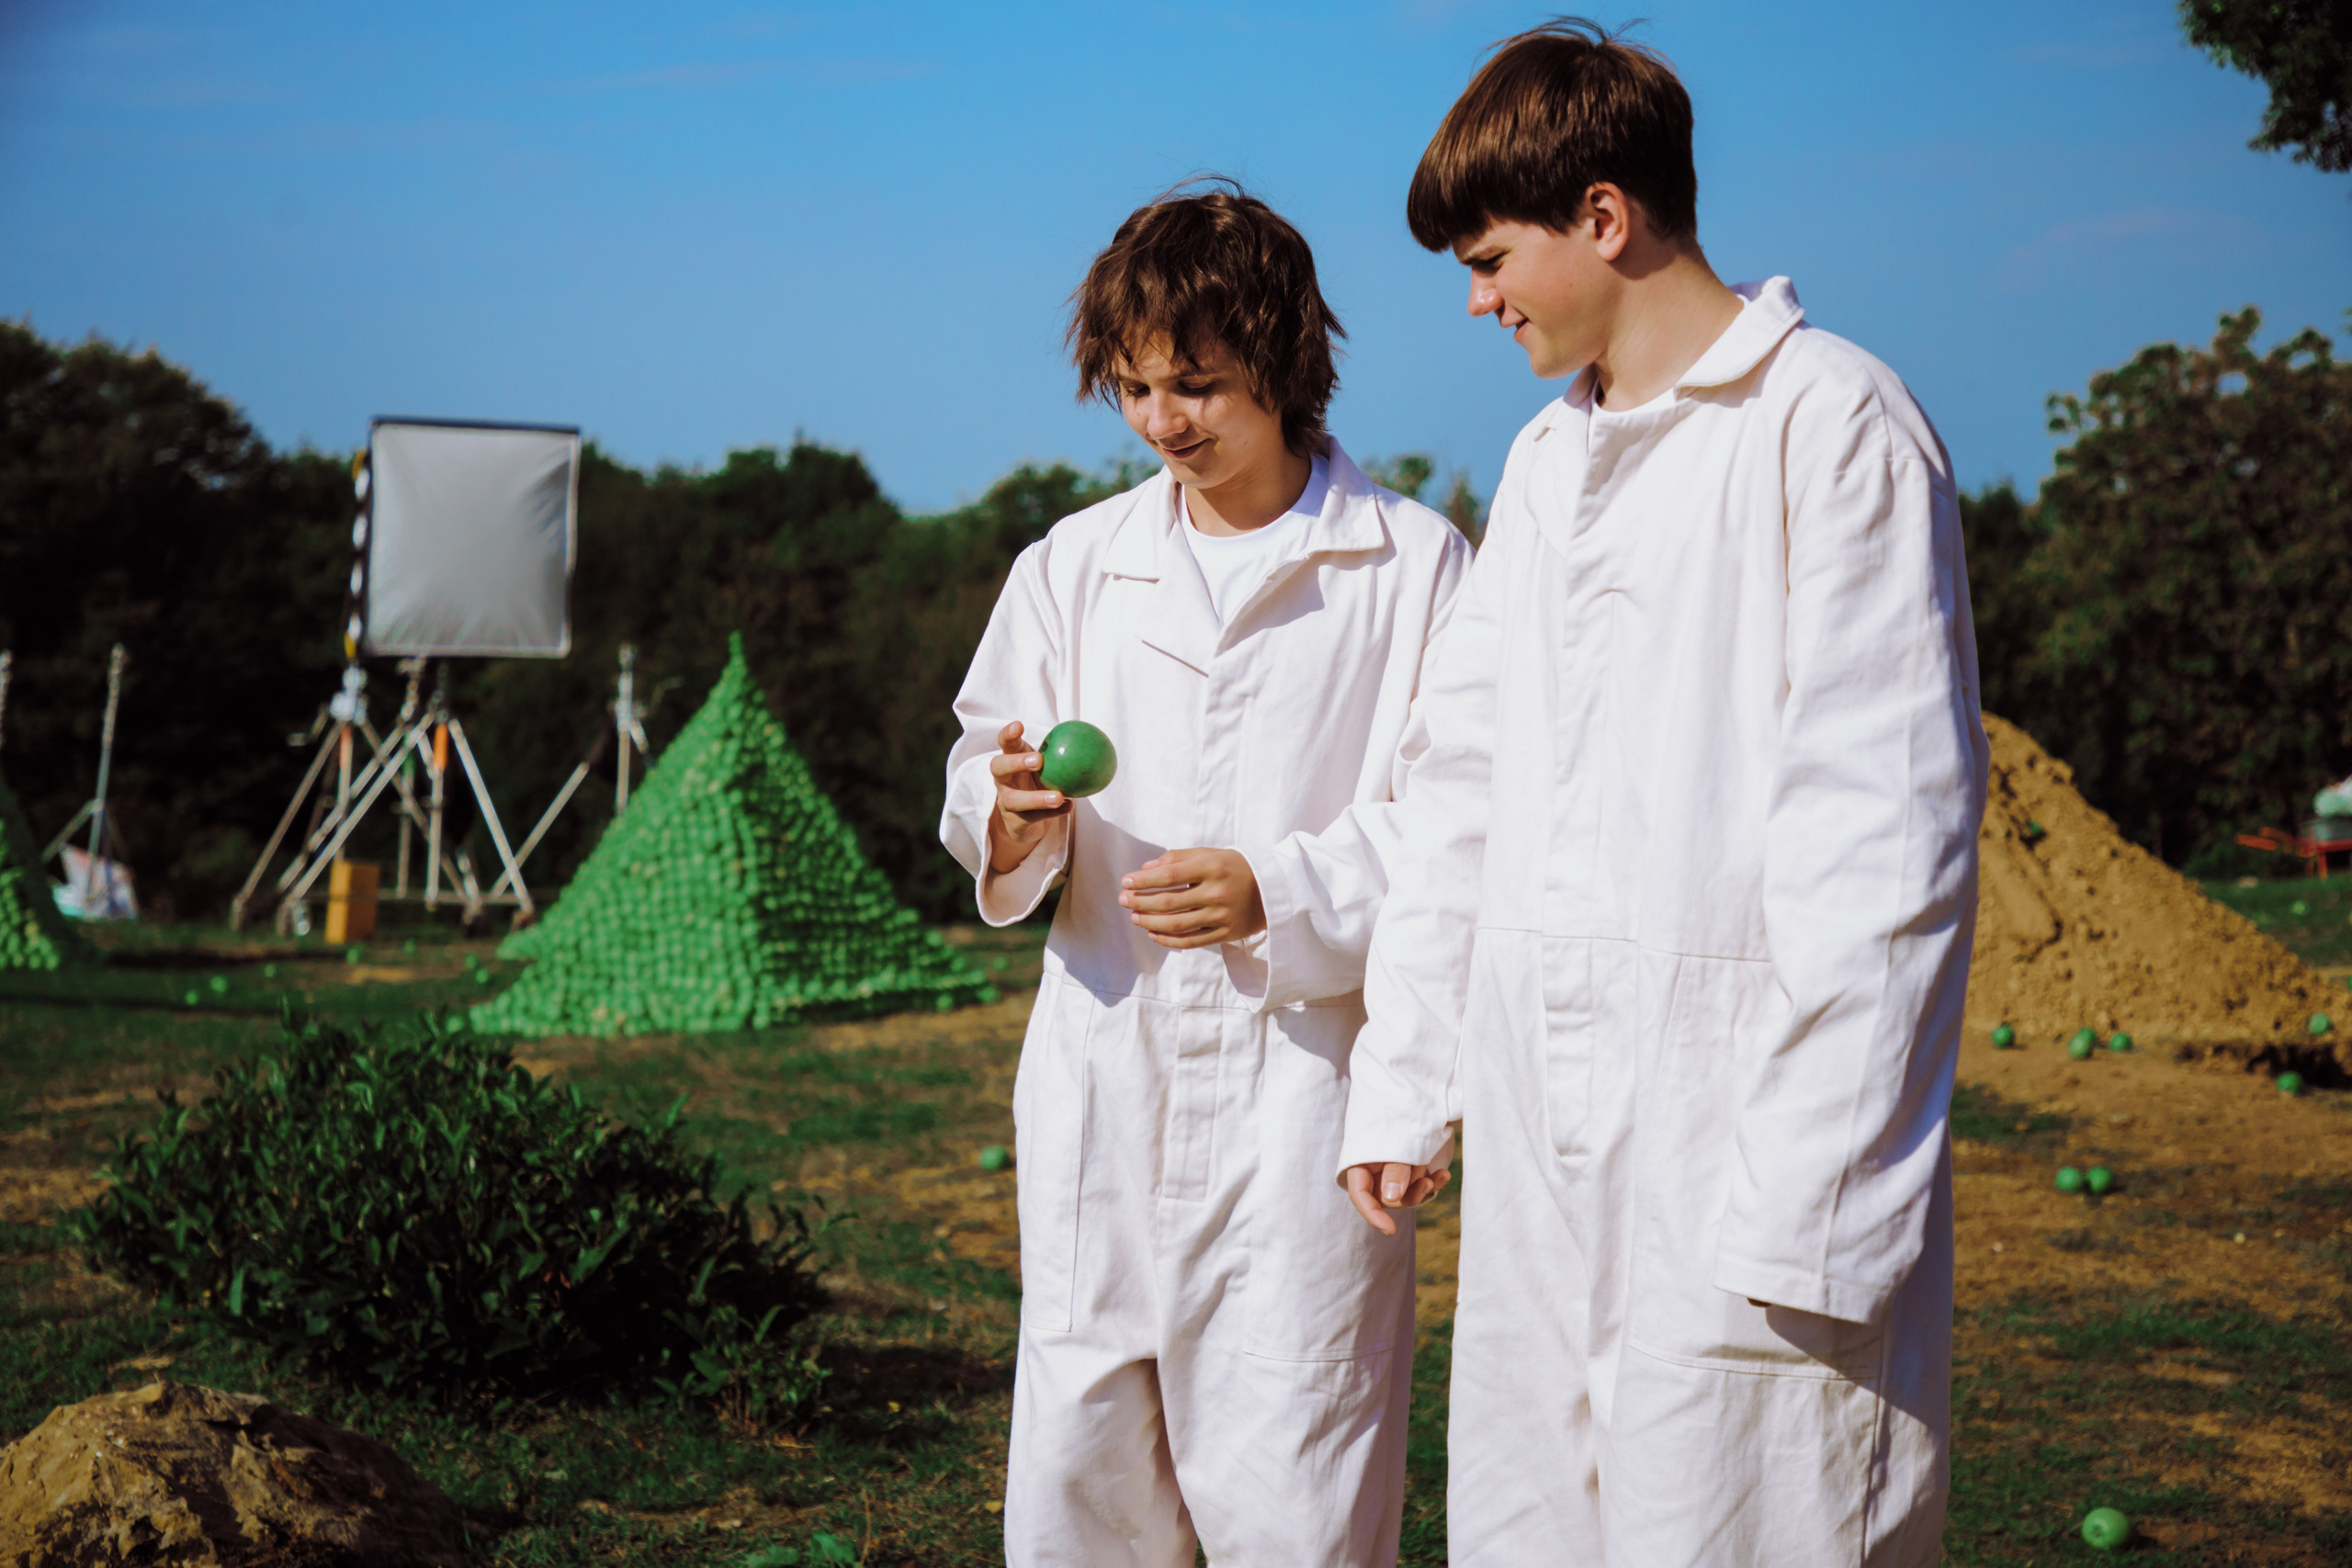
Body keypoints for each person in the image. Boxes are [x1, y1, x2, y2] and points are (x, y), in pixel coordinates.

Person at [1336, 21, 1987, 1567]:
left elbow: (1887, 837)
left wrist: (1811, 1202)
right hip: (1544, 1137)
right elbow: (1462, 789)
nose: (1477, 300)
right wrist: (1410, 1068)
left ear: (1606, 218)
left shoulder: (1831, 423)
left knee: (1747, 1529)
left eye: (1492, 258)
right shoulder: (1548, 466)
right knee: (1525, 1530)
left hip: (1742, 1136)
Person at [941, 183, 1473, 1567]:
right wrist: (1010, 812)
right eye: (1133, 388)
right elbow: (980, 765)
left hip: (1296, 1100)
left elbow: (1464, 824)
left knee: (1295, 1487)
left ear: (1287, 367)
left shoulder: (1412, 569)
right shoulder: (1075, 566)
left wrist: (1278, 895)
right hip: (1105, 1081)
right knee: (1083, 1480)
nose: (1164, 421)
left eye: (1199, 385)